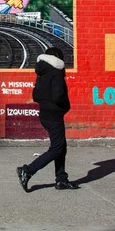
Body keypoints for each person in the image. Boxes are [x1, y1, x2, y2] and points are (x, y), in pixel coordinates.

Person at [16, 47, 77, 191]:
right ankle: (28, 170)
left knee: (61, 147)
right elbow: (58, 95)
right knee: (56, 149)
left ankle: (61, 179)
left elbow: (36, 95)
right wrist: (65, 106)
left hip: (44, 114)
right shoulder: (56, 72)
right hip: (54, 116)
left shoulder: (42, 72)